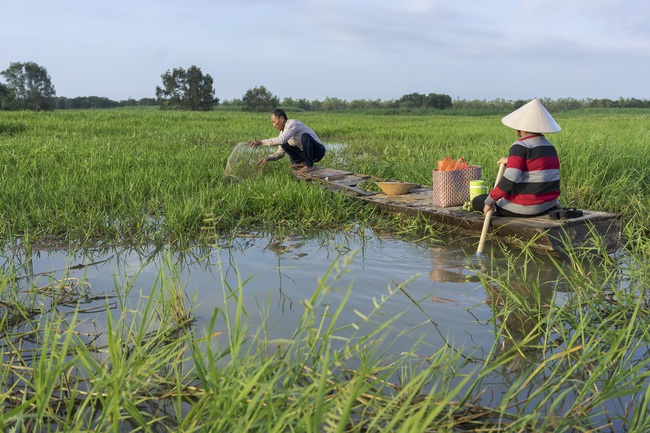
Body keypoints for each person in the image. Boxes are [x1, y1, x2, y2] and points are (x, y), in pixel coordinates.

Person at [473, 98, 561, 217]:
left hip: (526, 208)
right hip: (549, 205)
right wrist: (510, 161)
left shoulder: (521, 146)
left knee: (478, 201)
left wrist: (489, 201)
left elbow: (510, 179)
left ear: (521, 128)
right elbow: (536, 166)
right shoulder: (550, 147)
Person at [249, 109, 326, 173]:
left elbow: (281, 140)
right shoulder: (283, 133)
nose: (274, 125)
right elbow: (280, 153)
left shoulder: (292, 124)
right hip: (306, 154)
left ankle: (309, 165)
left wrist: (261, 142)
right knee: (284, 143)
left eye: (274, 121)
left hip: (318, 151)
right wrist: (268, 158)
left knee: (305, 137)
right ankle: (300, 163)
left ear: (281, 119)